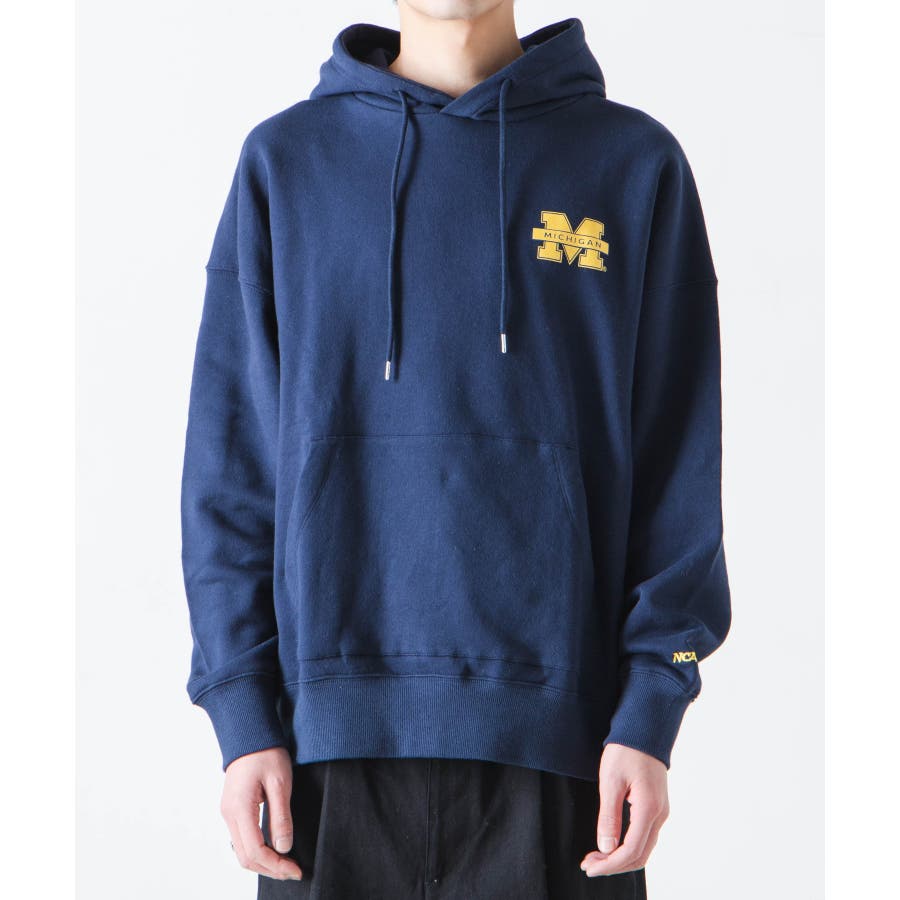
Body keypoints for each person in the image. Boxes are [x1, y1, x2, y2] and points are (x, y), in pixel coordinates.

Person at [179, 2, 732, 897]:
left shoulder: (633, 164)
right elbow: (232, 466)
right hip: (322, 757)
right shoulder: (286, 164)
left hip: (569, 754)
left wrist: (651, 706)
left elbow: (679, 461)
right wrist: (241, 714)